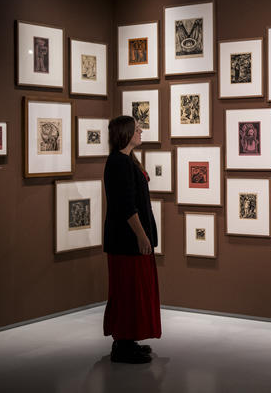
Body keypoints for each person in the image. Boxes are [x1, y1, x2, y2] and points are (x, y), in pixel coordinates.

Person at [103, 116, 161, 364]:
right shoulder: (118, 163)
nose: (141, 131)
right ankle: (123, 346)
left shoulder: (128, 161)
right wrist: (141, 235)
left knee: (134, 291)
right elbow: (126, 206)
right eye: (136, 128)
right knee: (128, 291)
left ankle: (128, 340)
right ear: (124, 133)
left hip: (131, 240)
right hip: (126, 241)